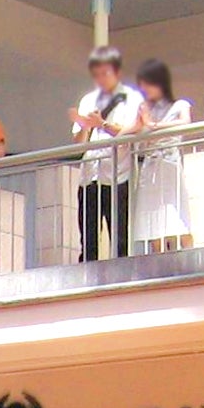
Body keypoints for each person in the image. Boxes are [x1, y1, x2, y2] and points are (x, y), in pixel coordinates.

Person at [70, 46, 142, 262]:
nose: (101, 78)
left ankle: (122, 276)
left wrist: (102, 124)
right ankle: (87, 276)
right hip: (89, 174)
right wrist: (84, 125)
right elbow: (78, 142)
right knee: (88, 235)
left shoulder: (132, 98)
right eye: (97, 74)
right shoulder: (88, 100)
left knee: (119, 236)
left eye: (105, 73)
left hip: (118, 175)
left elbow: (132, 131)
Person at [130, 59, 194, 253]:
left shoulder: (180, 105)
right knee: (152, 217)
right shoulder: (145, 109)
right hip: (150, 165)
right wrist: (144, 126)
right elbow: (139, 138)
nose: (145, 91)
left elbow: (186, 123)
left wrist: (154, 127)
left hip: (169, 161)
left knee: (176, 210)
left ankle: (189, 255)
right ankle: (158, 258)